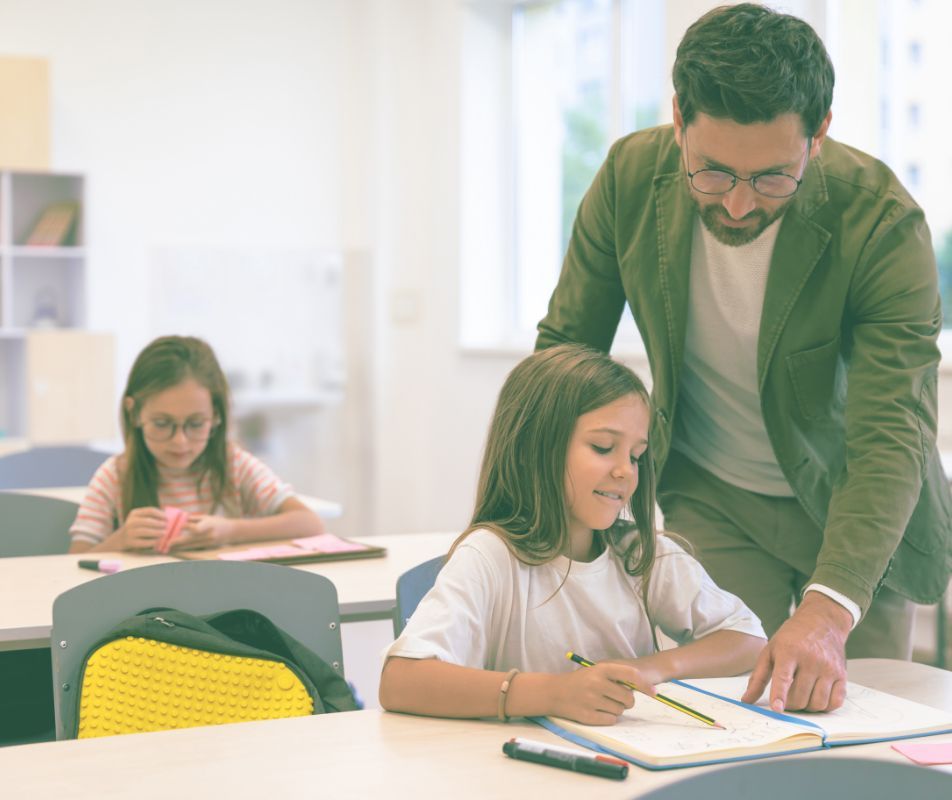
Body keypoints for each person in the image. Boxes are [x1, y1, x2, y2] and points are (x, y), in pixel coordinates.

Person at [535, 4, 952, 714]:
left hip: (857, 505)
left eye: (769, 180)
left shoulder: (881, 222)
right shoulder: (632, 180)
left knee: (863, 729)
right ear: (679, 120)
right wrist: (534, 511)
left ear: (817, 135)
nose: (734, 205)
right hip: (714, 492)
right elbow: (565, 355)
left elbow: (891, 435)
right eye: (713, 173)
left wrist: (826, 613)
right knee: (728, 719)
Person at [379, 344, 765, 724]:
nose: (626, 471)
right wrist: (555, 693)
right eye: (603, 448)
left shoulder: (642, 554)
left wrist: (650, 669)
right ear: (536, 448)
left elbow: (747, 639)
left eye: (635, 455)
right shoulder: (491, 556)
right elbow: (400, 680)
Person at [69, 335, 325, 553]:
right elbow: (71, 563)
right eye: (161, 423)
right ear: (134, 413)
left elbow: (310, 523)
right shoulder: (115, 476)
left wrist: (231, 530)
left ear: (215, 417)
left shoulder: (234, 465)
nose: (180, 441)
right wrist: (121, 540)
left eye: (195, 424)